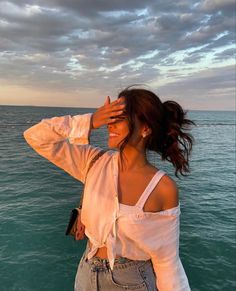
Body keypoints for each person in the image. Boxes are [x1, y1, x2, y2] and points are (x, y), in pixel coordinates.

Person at [24, 87, 195, 291]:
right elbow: (35, 136)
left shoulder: (163, 188)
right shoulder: (92, 162)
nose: (109, 124)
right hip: (87, 273)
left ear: (145, 128)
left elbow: (167, 262)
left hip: (132, 281)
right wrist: (90, 121)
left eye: (118, 117)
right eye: (109, 117)